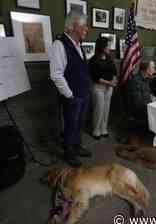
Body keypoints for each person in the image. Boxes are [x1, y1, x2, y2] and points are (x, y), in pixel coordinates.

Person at [49, 11, 91, 167]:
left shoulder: (78, 45)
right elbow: (56, 74)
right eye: (84, 26)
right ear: (73, 26)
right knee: (70, 125)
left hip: (83, 94)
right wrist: (70, 95)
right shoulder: (59, 44)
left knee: (80, 123)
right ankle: (69, 152)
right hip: (72, 96)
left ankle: (77, 146)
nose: (87, 29)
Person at [89, 37, 117, 140]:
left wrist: (114, 81)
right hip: (98, 88)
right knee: (98, 110)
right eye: (108, 46)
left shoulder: (109, 58)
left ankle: (104, 129)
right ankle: (96, 131)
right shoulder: (93, 60)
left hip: (109, 88)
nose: (109, 48)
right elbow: (96, 77)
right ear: (102, 47)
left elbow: (114, 71)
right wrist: (109, 83)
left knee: (106, 109)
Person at [124, 59, 156, 130]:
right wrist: (151, 102)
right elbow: (138, 103)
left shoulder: (146, 79)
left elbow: (148, 94)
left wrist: (151, 98)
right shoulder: (135, 81)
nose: (154, 69)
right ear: (147, 69)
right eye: (153, 67)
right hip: (137, 112)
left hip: (145, 107)